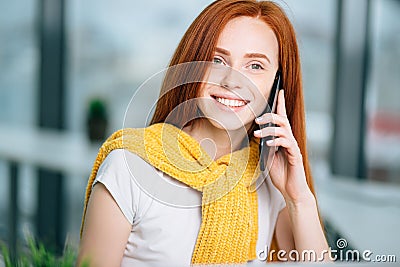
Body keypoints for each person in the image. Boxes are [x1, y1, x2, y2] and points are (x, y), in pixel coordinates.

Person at [77, 0, 331, 266]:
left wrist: (299, 198)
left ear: (277, 84)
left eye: (255, 66)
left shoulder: (272, 180)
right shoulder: (129, 165)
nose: (233, 80)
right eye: (217, 60)